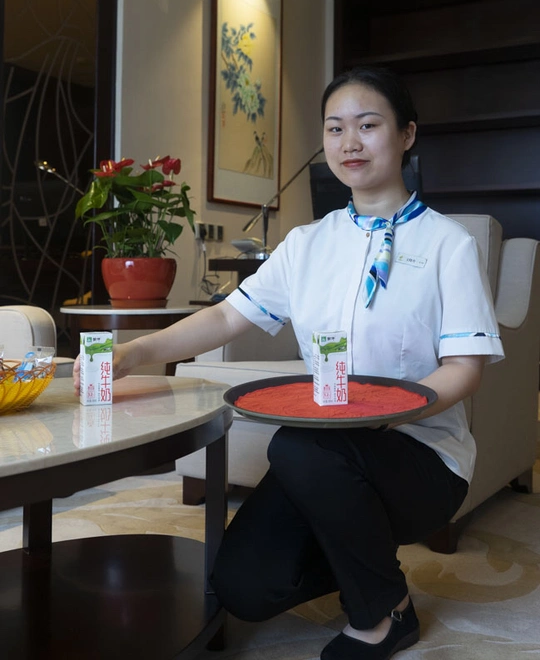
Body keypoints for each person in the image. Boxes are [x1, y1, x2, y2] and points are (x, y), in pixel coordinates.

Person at [73, 66, 504, 660]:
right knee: (243, 587)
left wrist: (382, 415)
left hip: (421, 456)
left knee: (297, 445)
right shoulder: (306, 244)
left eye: (368, 125)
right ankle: (361, 551)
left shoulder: (449, 244)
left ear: (406, 134)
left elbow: (464, 368)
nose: (350, 142)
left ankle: (385, 613)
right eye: (335, 128)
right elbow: (226, 318)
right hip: (327, 455)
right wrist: (137, 352)